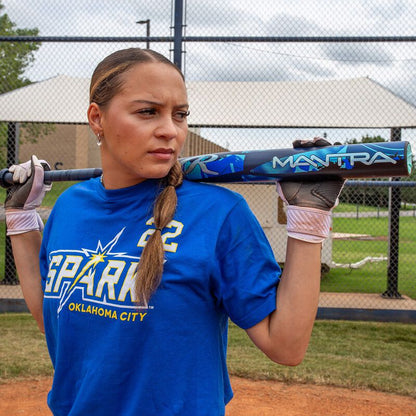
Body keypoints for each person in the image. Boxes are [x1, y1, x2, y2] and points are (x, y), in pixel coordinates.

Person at [5, 48, 344, 416]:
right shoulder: (71, 206)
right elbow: (54, 319)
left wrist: (309, 219)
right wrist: (20, 221)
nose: (171, 130)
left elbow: (286, 345)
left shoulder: (219, 214)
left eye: (180, 115)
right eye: (148, 112)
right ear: (96, 118)